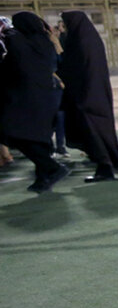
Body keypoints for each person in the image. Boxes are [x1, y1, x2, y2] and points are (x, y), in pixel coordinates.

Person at [58, 10, 118, 182]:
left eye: (65, 24)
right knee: (98, 132)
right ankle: (109, 165)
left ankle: (109, 165)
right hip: (93, 94)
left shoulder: (82, 42)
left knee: (95, 132)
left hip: (88, 96)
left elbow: (73, 68)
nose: (63, 28)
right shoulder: (88, 39)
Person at [0, 12, 70, 192]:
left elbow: (13, 50)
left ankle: (53, 168)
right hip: (44, 98)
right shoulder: (43, 42)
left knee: (12, 133)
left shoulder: (20, 42)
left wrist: (6, 31)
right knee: (39, 139)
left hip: (26, 100)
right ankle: (43, 179)